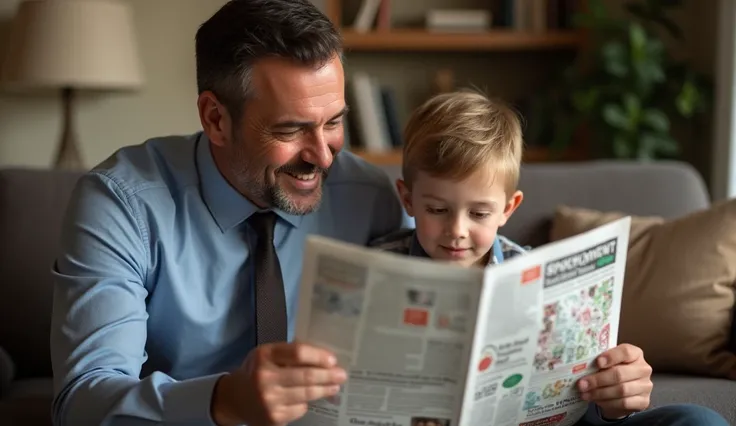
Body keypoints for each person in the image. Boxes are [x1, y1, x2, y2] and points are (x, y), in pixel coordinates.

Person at [49, 1, 410, 425]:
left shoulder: (370, 197)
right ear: (216, 118)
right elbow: (82, 403)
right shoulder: (121, 205)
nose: (323, 157)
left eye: (333, 122)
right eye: (291, 129)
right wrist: (223, 400)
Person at [369, 89, 729, 426]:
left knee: (697, 421)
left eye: (479, 214)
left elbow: (580, 397)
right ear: (408, 199)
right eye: (437, 209)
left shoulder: (536, 274)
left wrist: (613, 397)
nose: (457, 230)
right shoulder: (376, 264)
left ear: (509, 208)